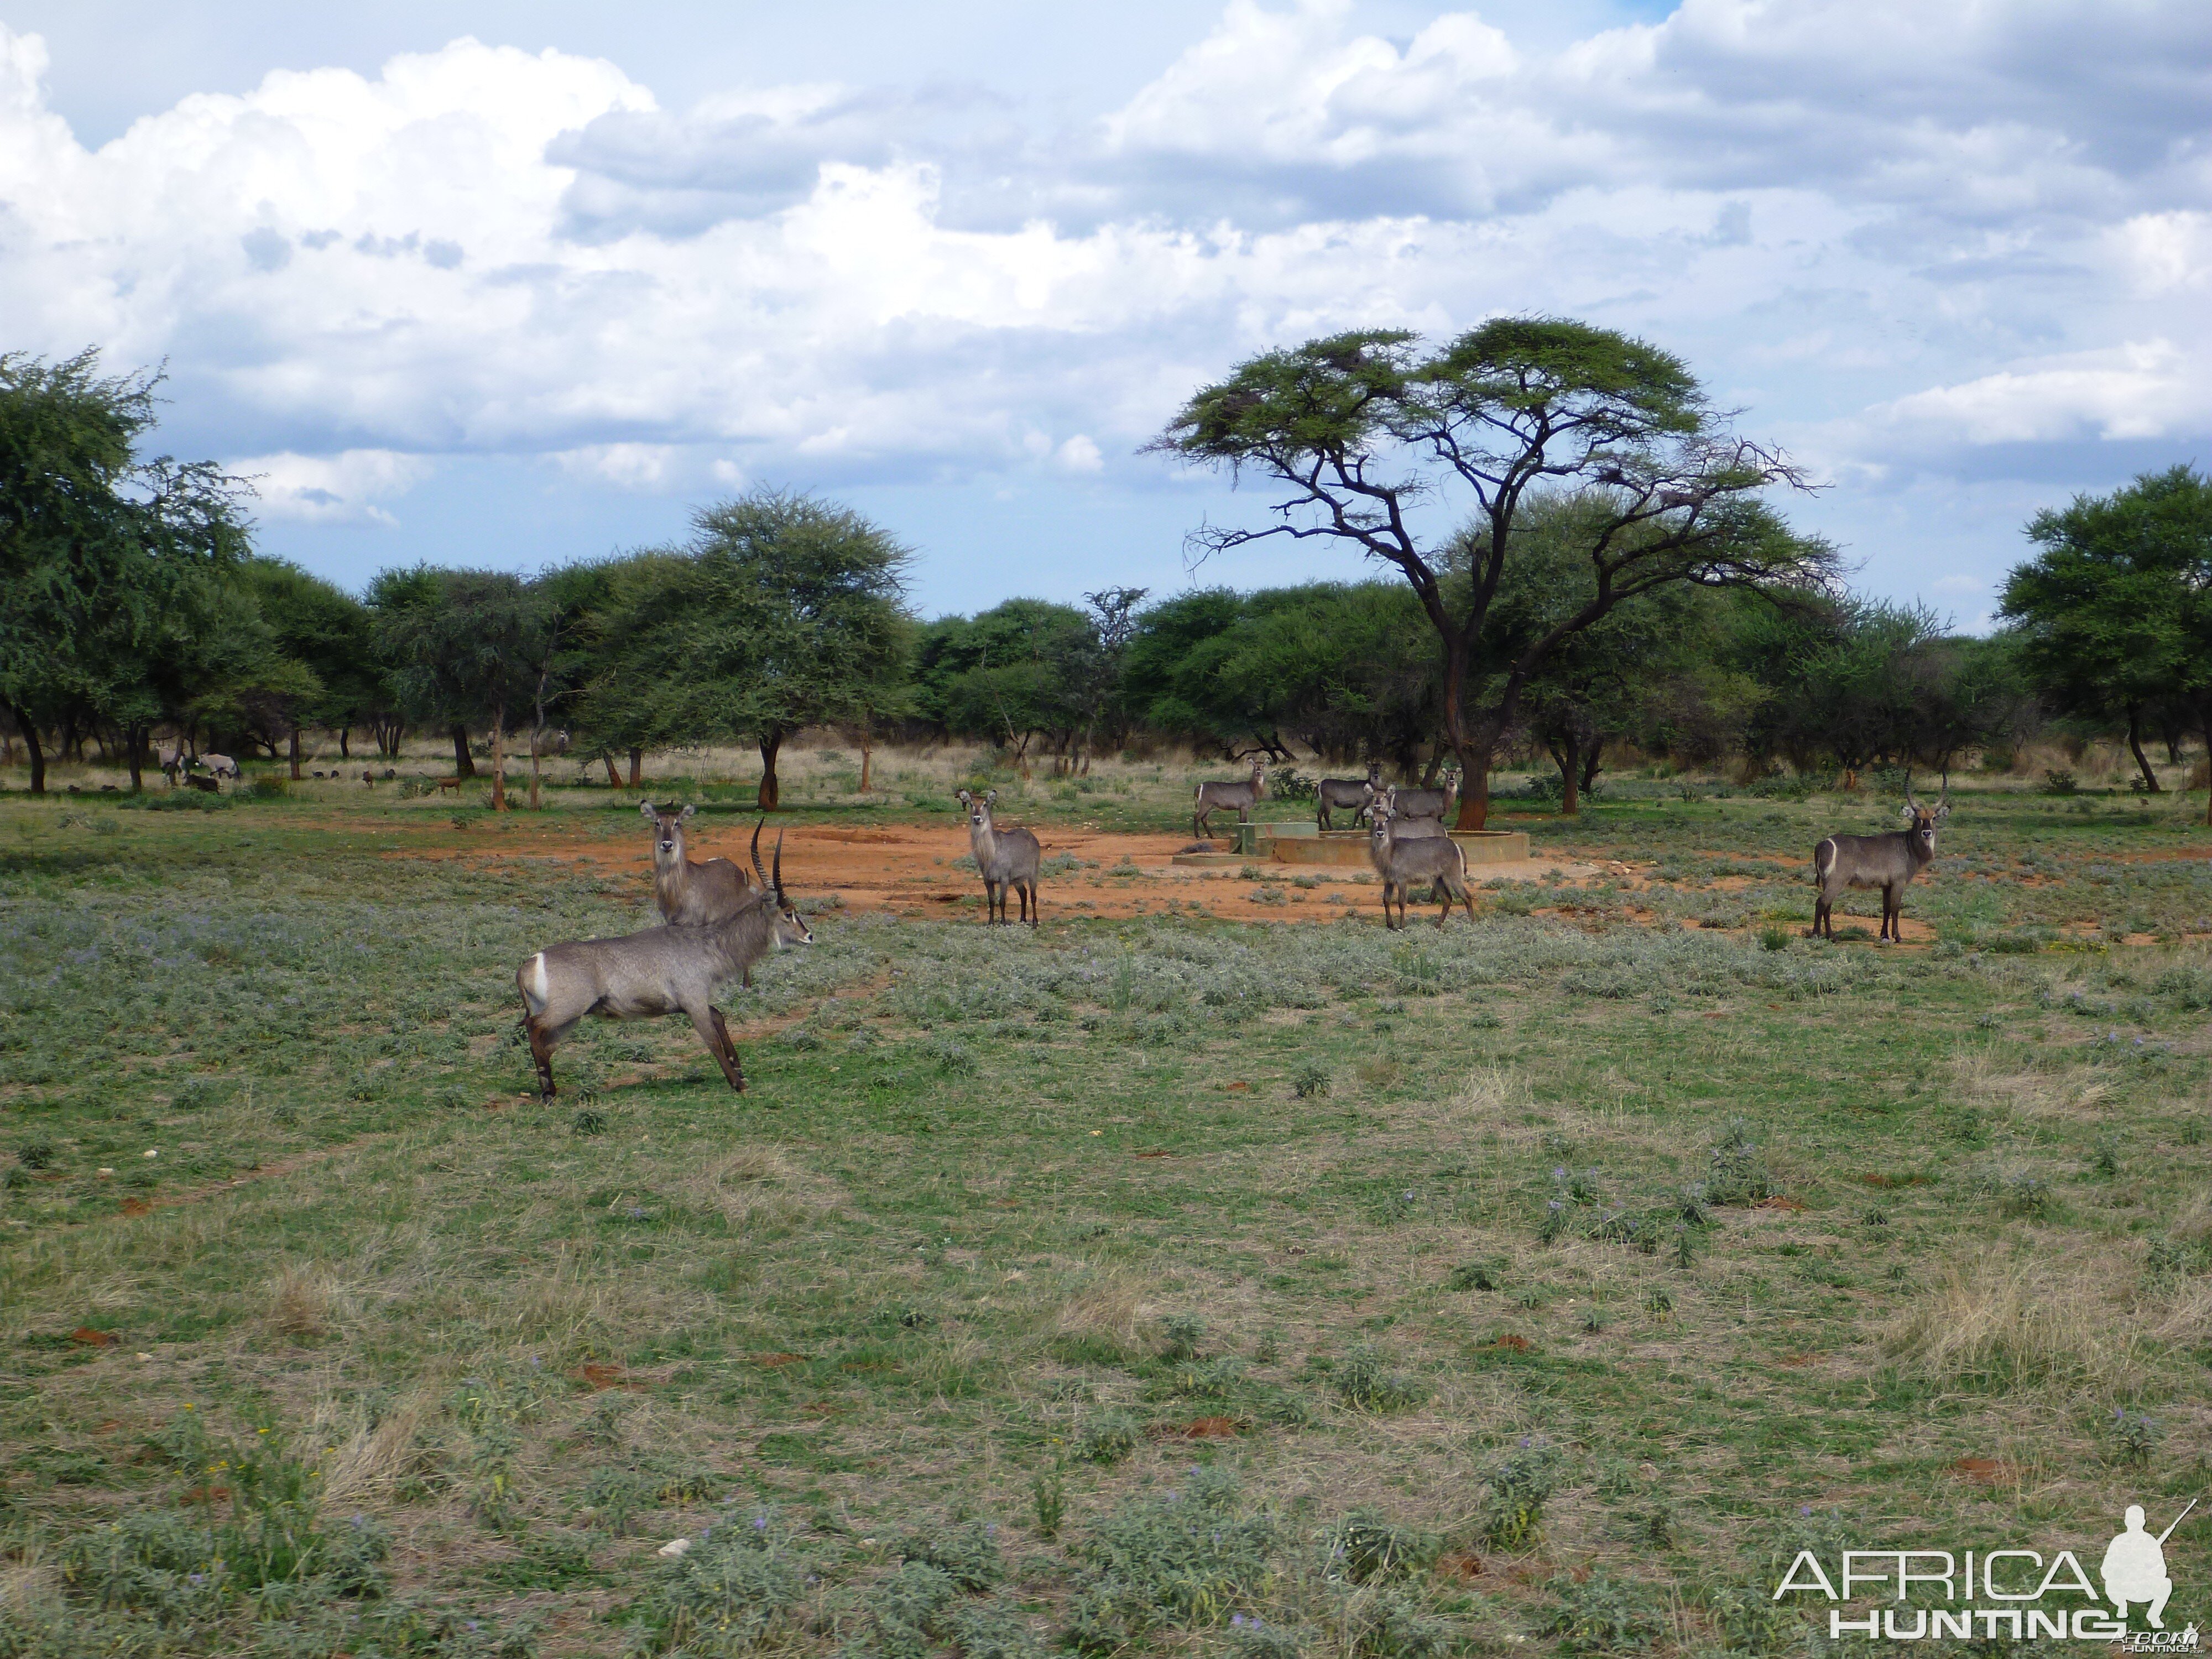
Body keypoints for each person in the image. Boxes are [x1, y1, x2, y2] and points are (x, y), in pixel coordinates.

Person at [2102, 1506, 2174, 1629]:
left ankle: (2154, 1615)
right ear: (2126, 1522)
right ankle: (2121, 1605)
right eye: (2132, 1521)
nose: (2134, 1524)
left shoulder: (2150, 1541)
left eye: (2136, 1521)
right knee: (2110, 1583)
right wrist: (2123, 1569)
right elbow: (2106, 1570)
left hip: (2144, 1588)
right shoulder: (2119, 1541)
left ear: (2143, 1522)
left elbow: (2162, 1570)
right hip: (2123, 1588)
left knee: (2166, 1583)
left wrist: (2146, 1570)